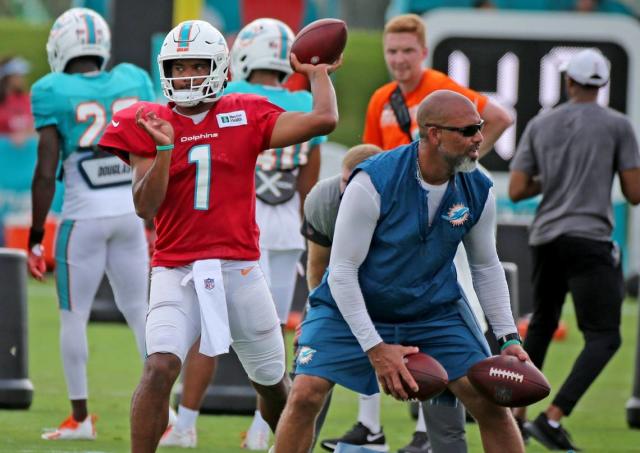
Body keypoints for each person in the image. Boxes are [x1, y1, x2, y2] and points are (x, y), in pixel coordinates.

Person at [98, 19, 340, 452]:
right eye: (177, 67)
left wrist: (318, 74)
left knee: (270, 383)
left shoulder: (245, 111)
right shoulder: (148, 119)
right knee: (158, 367)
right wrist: (166, 150)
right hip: (176, 267)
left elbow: (323, 119)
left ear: (220, 68)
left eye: (196, 65)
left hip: (240, 267)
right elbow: (143, 206)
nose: (186, 75)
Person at [274, 89, 527, 453]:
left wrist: (509, 338)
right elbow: (342, 273)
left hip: (433, 308)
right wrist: (376, 349)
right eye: (468, 130)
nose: (478, 140)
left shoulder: (479, 188)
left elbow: (486, 266)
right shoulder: (372, 182)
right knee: (304, 394)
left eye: (479, 128)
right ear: (434, 134)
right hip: (354, 302)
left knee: (489, 403)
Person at [324, 13, 512, 453]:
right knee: (354, 308)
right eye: (392, 51)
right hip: (387, 220)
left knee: (451, 314)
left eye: (408, 50)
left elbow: (494, 119)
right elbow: (366, 156)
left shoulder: (444, 93)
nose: (399, 60)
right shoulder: (381, 99)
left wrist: (466, 167)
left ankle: (432, 433)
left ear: (423, 53)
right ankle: (369, 426)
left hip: (445, 224)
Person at [158, 18, 326, 450]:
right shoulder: (295, 100)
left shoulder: (233, 102)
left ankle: (187, 423)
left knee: (207, 333)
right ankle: (262, 432)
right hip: (287, 226)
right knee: (268, 340)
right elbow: (310, 179)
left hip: (235, 225)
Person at [28, 7, 153, 440]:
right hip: (128, 214)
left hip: (82, 219)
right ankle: (165, 415)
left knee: (73, 317)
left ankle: (80, 419)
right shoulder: (133, 80)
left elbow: (46, 173)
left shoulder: (51, 90)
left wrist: (34, 236)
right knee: (141, 313)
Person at [509, 48, 640, 451]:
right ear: (602, 86)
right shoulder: (618, 125)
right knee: (604, 337)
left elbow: (517, 190)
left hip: (546, 238)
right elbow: (634, 193)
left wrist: (555, 179)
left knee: (543, 324)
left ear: (568, 82)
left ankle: (516, 417)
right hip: (590, 239)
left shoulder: (541, 124)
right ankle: (553, 417)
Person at [0, 56, 34, 144]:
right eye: (18, 75)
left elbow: (36, 126)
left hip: (25, 155)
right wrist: (9, 137)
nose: (22, 78)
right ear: (8, 77)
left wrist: (26, 133)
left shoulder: (27, 99)